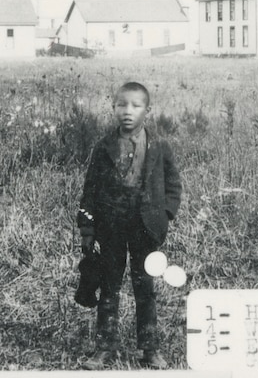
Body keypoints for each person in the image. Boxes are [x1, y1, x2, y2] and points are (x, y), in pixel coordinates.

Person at [77, 82, 183, 370]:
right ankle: (104, 349)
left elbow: (173, 185)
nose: (128, 111)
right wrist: (88, 229)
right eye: (122, 105)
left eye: (136, 106)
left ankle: (149, 349)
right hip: (110, 228)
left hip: (144, 229)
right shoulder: (104, 147)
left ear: (147, 111)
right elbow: (90, 191)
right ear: (113, 108)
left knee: (144, 287)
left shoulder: (159, 146)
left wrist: (164, 215)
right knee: (109, 286)